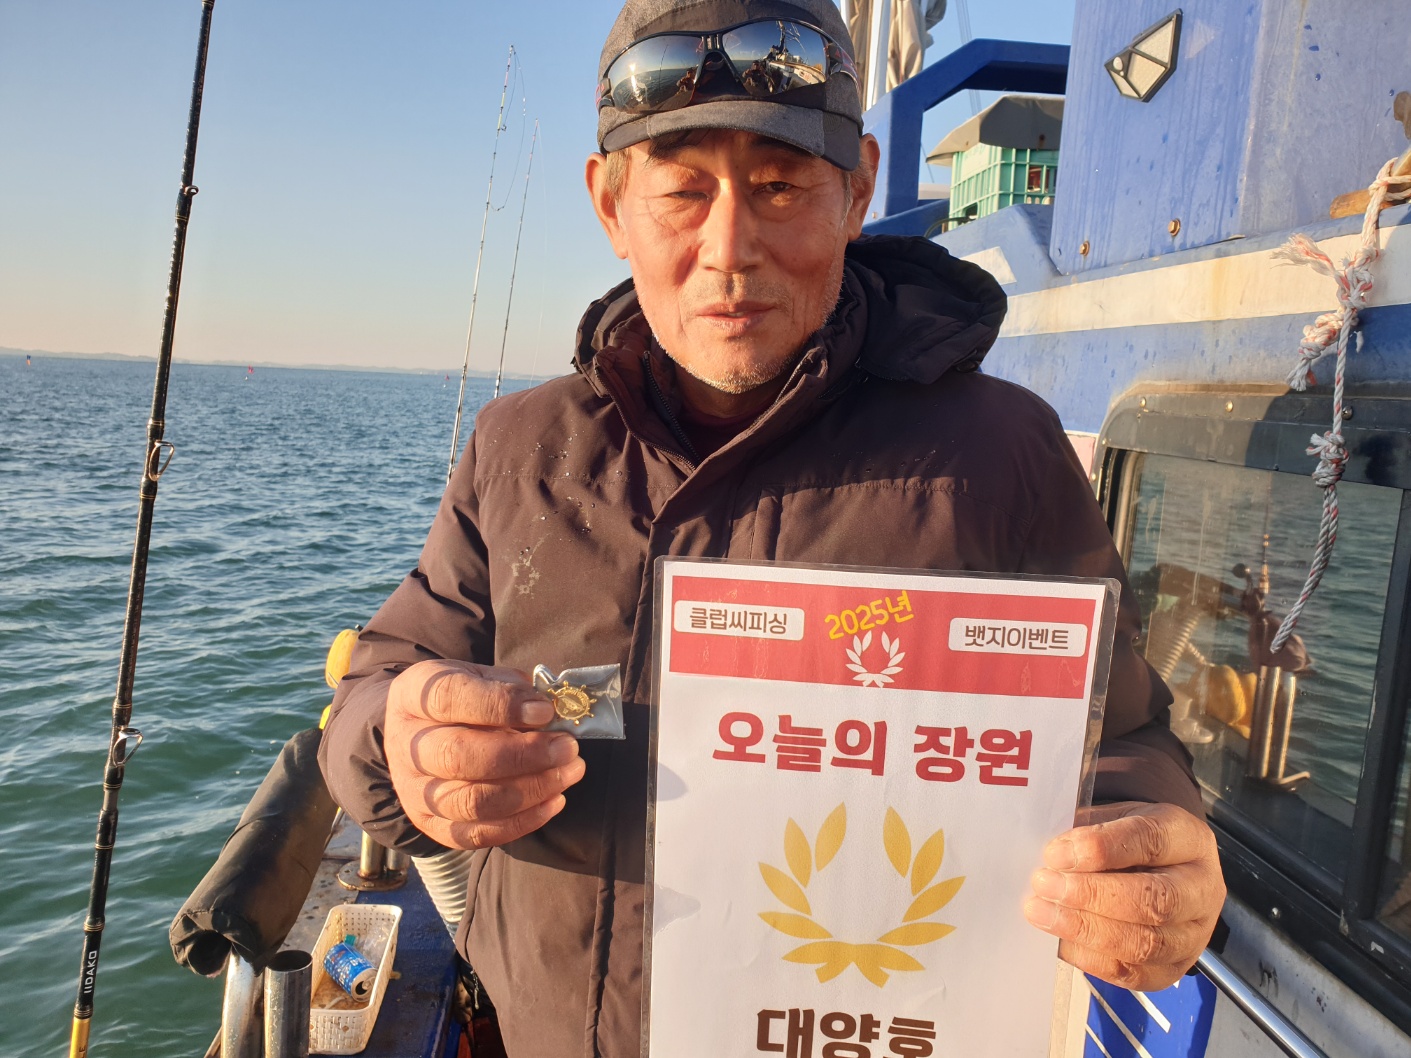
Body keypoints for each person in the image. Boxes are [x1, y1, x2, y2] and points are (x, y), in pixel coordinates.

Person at [320, 1, 1226, 1054]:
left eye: (781, 186)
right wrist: (404, 738)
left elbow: (1117, 741)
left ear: (857, 192)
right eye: (680, 192)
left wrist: (1154, 855)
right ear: (611, 205)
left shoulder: (1001, 452)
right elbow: (379, 690)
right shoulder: (518, 447)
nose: (729, 249)